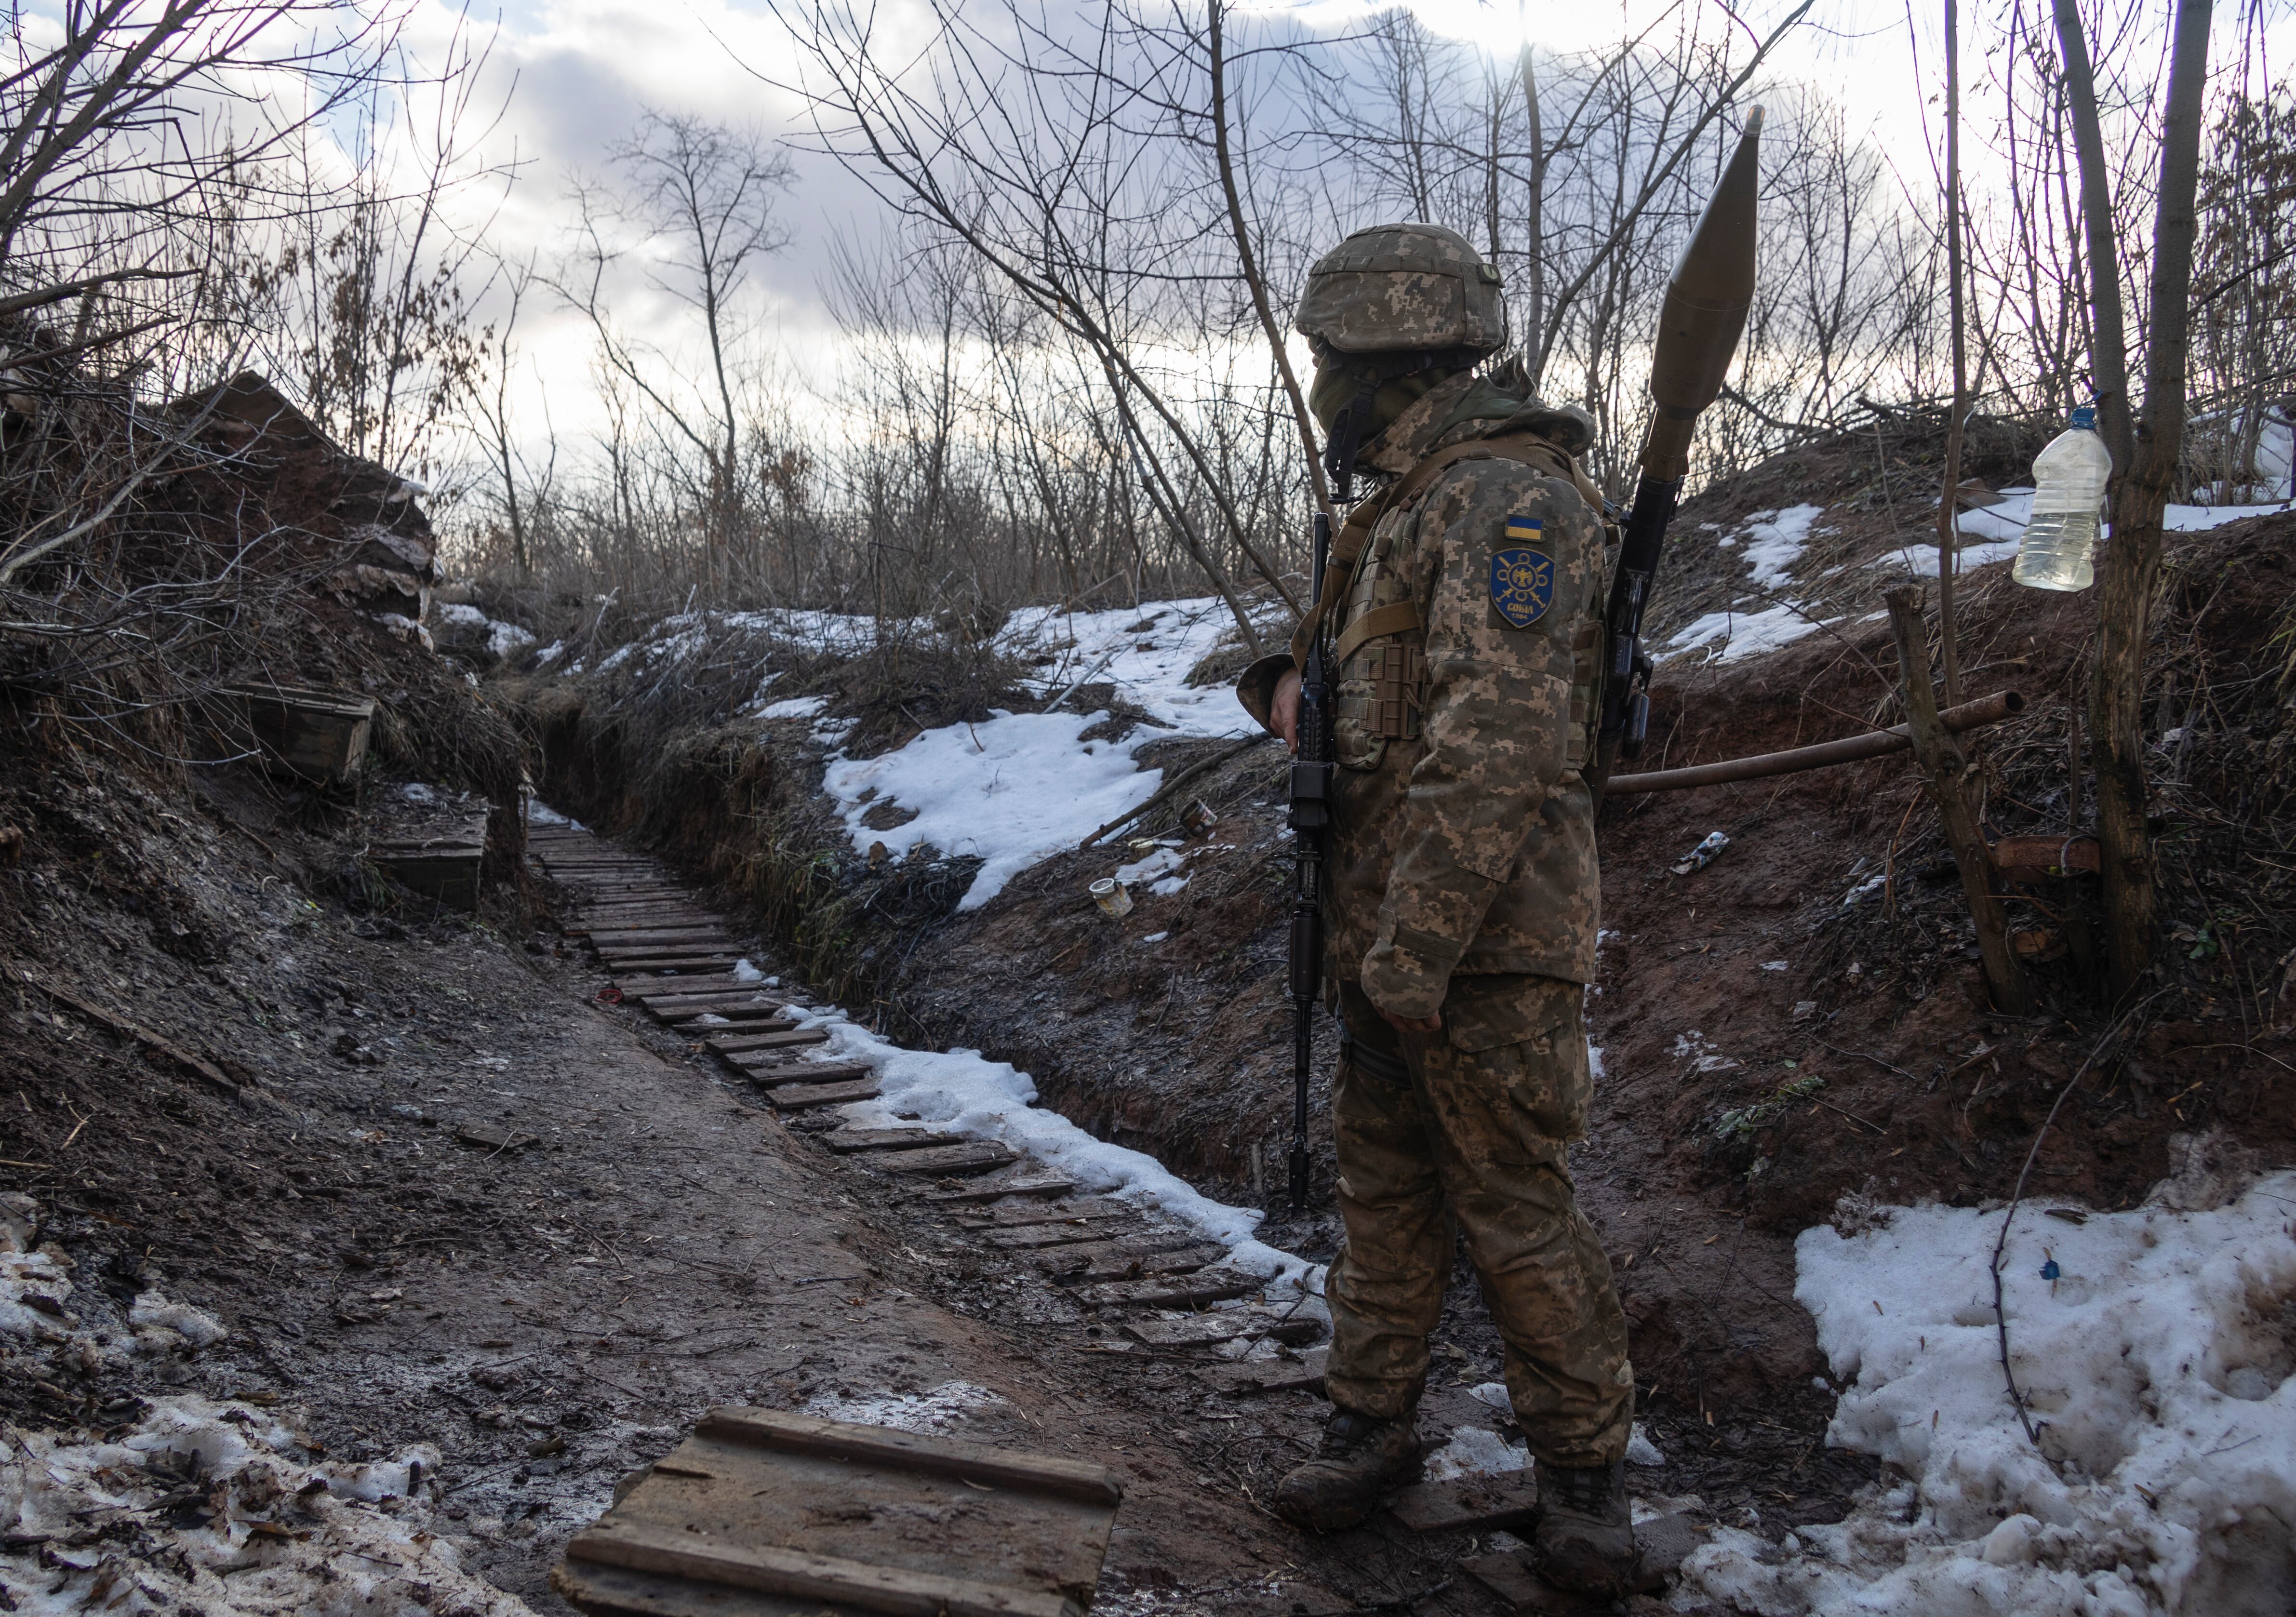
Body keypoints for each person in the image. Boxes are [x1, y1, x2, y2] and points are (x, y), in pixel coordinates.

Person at [1233, 222, 1638, 1595]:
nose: (1321, 390)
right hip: (1388, 938)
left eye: (1329, 362)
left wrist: (1411, 949)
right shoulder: (1404, 505)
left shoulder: (1505, 502)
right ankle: (1368, 1424)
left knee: (1513, 1205)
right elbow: (1380, 684)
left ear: (1380, 354)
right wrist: (1283, 680)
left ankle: (1582, 1482)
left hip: (1482, 951)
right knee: (1384, 1193)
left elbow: (1499, 742)